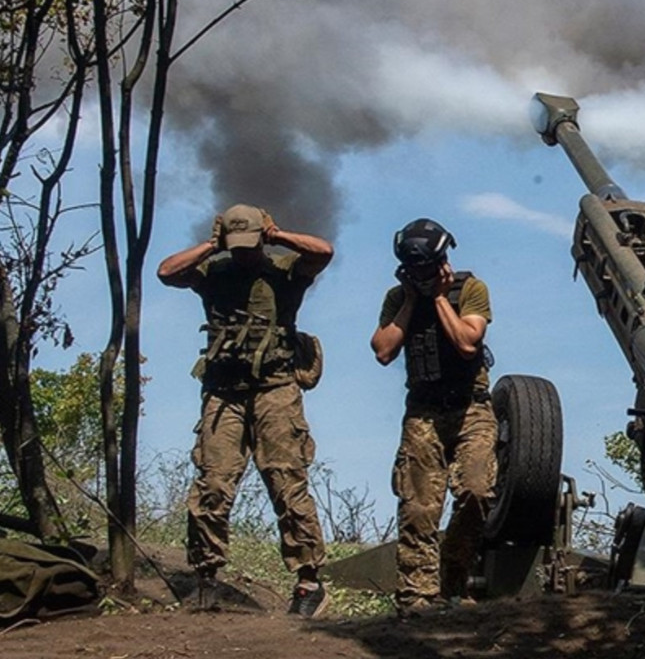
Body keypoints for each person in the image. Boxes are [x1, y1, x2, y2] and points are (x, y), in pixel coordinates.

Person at [156, 204, 332, 618]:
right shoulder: (212, 273)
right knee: (212, 486)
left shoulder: (285, 270)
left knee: (287, 484)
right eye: (235, 246)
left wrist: (278, 235)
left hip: (275, 390)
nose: (243, 253)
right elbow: (166, 273)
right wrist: (211, 245)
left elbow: (323, 252)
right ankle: (206, 579)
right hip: (223, 393)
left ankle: (309, 583)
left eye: (249, 244)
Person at [370, 218, 496, 615]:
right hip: (423, 411)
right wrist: (411, 301)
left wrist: (440, 298)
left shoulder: (470, 289)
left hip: (471, 408)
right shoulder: (397, 298)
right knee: (419, 506)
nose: (422, 275)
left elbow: (465, 342)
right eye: (414, 270)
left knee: (476, 491)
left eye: (428, 267)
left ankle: (452, 578)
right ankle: (416, 596)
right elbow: (383, 350)